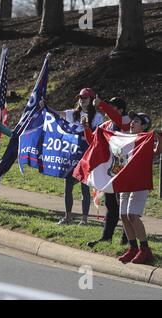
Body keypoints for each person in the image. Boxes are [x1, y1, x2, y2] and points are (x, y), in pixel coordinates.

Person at [92, 97, 162, 264]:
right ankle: (133, 248)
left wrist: (159, 137)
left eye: (137, 121)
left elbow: (157, 151)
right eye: (133, 120)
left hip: (139, 184)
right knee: (123, 216)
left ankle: (145, 249)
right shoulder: (125, 138)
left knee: (132, 215)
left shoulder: (145, 139)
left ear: (144, 126)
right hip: (125, 183)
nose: (132, 123)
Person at [42, 88, 104, 225]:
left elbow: (98, 136)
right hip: (71, 155)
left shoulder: (98, 117)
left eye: (85, 98)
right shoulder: (73, 113)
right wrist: (46, 107)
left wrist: (87, 127)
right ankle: (67, 217)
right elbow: (58, 115)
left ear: (92, 100)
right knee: (68, 185)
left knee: (84, 187)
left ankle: (84, 219)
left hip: (87, 156)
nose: (82, 100)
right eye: (80, 98)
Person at [84, 97, 130, 248]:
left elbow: (121, 122)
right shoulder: (107, 125)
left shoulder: (126, 119)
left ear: (121, 109)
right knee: (111, 204)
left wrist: (103, 105)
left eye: (113, 107)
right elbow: (93, 141)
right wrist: (86, 128)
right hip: (111, 171)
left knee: (124, 206)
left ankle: (127, 238)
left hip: (125, 169)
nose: (108, 111)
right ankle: (106, 237)